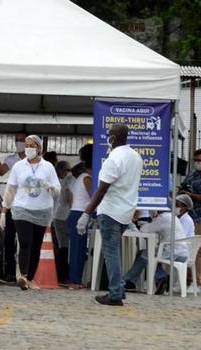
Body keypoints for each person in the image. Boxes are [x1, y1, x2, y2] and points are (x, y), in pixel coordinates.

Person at [77, 124, 142, 306]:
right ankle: (118, 288)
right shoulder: (136, 157)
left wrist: (86, 213)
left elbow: (101, 190)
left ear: (113, 138)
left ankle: (114, 293)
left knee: (110, 252)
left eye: (109, 135)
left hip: (111, 211)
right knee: (114, 251)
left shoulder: (114, 159)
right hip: (126, 211)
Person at [3, 135, 61, 290]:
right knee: (25, 242)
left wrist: (51, 187)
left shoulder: (48, 167)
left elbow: (58, 189)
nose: (28, 148)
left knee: (36, 246)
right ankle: (23, 275)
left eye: (32, 145)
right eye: (26, 145)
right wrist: (4, 209)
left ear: (39, 148)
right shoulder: (18, 166)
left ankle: (30, 277)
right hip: (21, 209)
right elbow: (11, 189)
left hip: (42, 211)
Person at [122, 210, 188, 295]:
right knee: (143, 253)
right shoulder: (172, 217)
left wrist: (148, 221)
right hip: (181, 252)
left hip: (173, 252)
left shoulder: (162, 218)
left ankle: (126, 281)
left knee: (145, 254)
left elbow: (144, 230)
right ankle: (160, 278)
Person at [0, 131, 26, 283]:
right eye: (17, 140)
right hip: (13, 205)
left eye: (22, 140)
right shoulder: (12, 159)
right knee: (9, 240)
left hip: (28, 205)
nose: (19, 143)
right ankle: (10, 274)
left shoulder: (36, 161)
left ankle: (27, 274)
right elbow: (1, 172)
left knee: (26, 241)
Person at [67, 144, 92, 288]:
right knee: (78, 250)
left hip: (76, 213)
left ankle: (76, 279)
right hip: (79, 214)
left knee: (79, 249)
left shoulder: (81, 177)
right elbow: (94, 197)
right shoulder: (87, 178)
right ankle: (74, 280)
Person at [180, 149, 201, 286]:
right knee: (187, 247)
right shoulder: (191, 174)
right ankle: (188, 279)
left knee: (198, 249)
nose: (196, 163)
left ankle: (199, 278)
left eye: (199, 160)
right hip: (187, 216)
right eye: (194, 160)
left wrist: (192, 196)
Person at [53, 161, 73, 284]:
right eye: (66, 170)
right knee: (64, 247)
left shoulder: (57, 182)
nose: (67, 173)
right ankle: (62, 274)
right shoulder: (65, 182)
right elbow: (68, 199)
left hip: (58, 215)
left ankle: (61, 274)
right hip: (62, 216)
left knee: (61, 246)